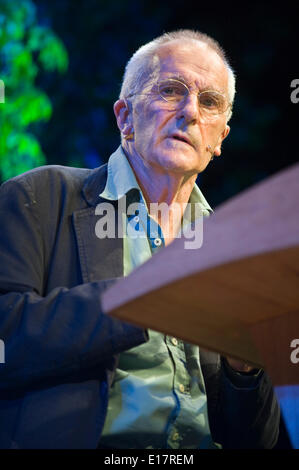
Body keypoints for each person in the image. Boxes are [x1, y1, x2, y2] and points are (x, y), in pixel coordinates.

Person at [0, 29, 279, 449]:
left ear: (220, 138)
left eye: (209, 103)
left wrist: (245, 369)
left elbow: (259, 439)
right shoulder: (41, 197)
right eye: (172, 90)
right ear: (125, 117)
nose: (190, 112)